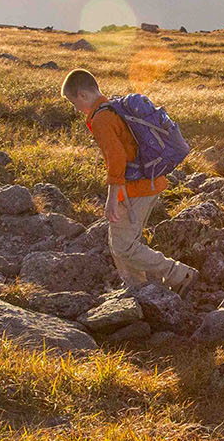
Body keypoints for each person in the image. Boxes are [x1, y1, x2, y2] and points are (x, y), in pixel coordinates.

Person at [61, 68, 198, 293]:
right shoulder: (113, 108)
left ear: (83, 95)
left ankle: (179, 274)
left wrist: (112, 199)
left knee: (124, 246)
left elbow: (116, 161)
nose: (75, 109)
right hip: (150, 182)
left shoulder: (102, 118)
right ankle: (139, 291)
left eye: (73, 102)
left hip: (136, 189)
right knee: (122, 244)